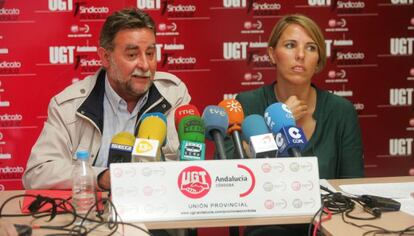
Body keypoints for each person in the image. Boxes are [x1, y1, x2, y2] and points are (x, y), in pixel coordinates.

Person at [225, 14, 364, 235]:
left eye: (310, 48)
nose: (300, 55)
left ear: (318, 59)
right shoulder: (247, 104)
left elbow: (353, 186)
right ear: (272, 54)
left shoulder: (341, 111)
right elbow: (228, 177)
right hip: (269, 226)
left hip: (328, 225)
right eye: (290, 45)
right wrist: (279, 120)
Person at [23, 8, 191, 191]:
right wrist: (100, 177)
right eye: (132, 55)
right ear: (105, 57)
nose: (144, 65)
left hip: (158, 208)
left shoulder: (174, 94)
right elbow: (37, 173)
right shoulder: (69, 105)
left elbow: (186, 166)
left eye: (150, 53)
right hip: (94, 213)